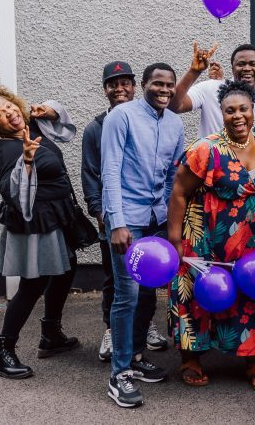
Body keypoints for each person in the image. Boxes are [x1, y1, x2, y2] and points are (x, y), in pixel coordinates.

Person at [0, 86, 92, 380]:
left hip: (57, 214)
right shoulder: (3, 152)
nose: (9, 114)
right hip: (34, 224)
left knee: (67, 268)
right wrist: (24, 161)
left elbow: (62, 125)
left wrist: (49, 109)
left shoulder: (33, 126)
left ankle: (51, 335)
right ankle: (2, 352)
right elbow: (13, 194)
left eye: (9, 107)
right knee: (33, 285)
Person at [167, 80, 255, 391]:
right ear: (221, 114)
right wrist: (175, 240)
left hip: (252, 234)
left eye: (243, 109)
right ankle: (191, 357)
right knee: (201, 292)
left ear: (253, 110)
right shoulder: (204, 148)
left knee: (253, 291)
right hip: (207, 231)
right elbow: (179, 192)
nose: (238, 115)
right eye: (230, 111)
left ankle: (254, 357)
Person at [101, 63, 185, 408]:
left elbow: (171, 176)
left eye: (169, 85)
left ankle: (135, 357)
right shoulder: (121, 116)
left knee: (149, 294)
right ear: (144, 85)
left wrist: (168, 221)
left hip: (155, 220)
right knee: (128, 295)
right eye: (157, 84)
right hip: (127, 220)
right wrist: (117, 222)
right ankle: (119, 373)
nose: (164, 89)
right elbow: (110, 169)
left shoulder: (175, 123)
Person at [81, 61, 168, 364]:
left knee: (144, 289)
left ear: (134, 85)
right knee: (121, 288)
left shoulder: (166, 122)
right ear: (105, 89)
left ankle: (136, 347)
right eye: (112, 84)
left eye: (124, 83)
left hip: (152, 219)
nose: (119, 89)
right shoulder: (100, 125)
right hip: (118, 217)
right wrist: (105, 215)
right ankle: (118, 356)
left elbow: (166, 174)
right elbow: (99, 173)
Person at [170, 43, 255, 138]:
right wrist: (194, 71)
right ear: (232, 69)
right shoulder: (211, 88)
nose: (246, 68)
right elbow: (174, 106)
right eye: (241, 64)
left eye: (253, 64)